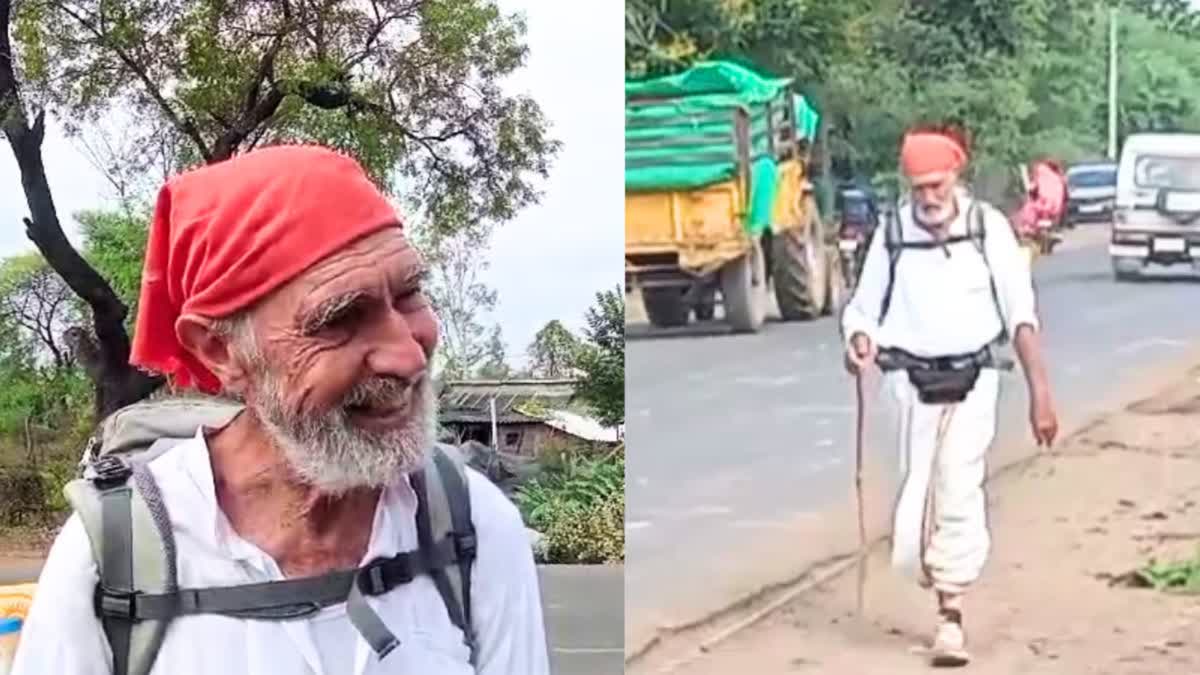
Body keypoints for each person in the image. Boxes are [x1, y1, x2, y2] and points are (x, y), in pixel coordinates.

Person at [11, 145, 551, 674]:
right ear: (220, 351)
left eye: (408, 294)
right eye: (340, 318)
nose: (409, 356)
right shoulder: (111, 556)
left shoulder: (471, 526)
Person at [840, 125, 1058, 667]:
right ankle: (937, 583)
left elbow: (1021, 316)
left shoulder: (988, 229)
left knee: (956, 488)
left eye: (937, 185)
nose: (929, 198)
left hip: (973, 383)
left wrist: (1041, 394)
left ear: (955, 178)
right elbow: (862, 309)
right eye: (919, 188)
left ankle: (951, 618)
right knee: (916, 508)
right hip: (907, 387)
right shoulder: (892, 233)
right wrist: (859, 340)